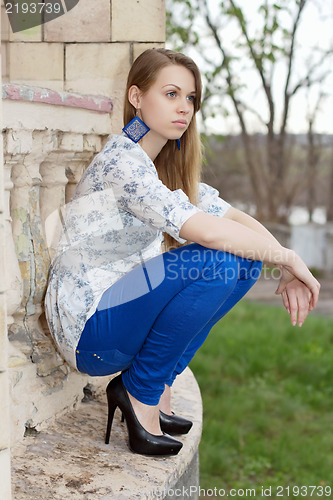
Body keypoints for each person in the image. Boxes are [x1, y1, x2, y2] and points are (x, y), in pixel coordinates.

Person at [45, 48, 320, 457]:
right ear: (136, 97)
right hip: (88, 328)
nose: (184, 108)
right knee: (219, 259)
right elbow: (207, 231)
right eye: (171, 94)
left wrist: (278, 255)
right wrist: (290, 260)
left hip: (116, 310)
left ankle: (156, 384)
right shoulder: (123, 163)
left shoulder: (160, 169)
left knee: (243, 261)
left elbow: (234, 218)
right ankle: (141, 391)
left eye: (190, 98)